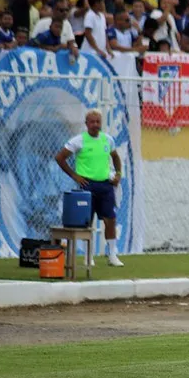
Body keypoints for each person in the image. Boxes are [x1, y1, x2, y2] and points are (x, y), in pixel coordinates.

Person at [55, 109, 124, 267]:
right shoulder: (79, 140)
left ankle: (112, 255)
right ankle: (88, 257)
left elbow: (115, 157)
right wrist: (74, 175)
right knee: (87, 222)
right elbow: (60, 157)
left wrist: (118, 173)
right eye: (92, 122)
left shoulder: (107, 140)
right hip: (87, 186)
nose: (95, 125)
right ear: (86, 124)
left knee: (110, 220)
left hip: (105, 185)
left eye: (98, 121)